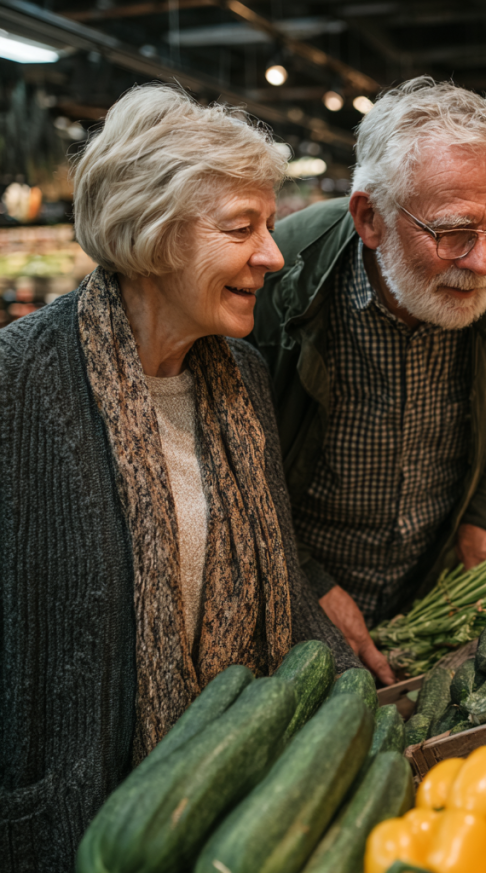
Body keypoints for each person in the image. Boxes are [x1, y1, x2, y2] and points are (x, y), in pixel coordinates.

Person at [0, 84, 357, 873]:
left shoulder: (242, 377)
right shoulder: (19, 383)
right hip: (71, 829)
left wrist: (350, 683)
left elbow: (276, 575)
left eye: (269, 225)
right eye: (241, 227)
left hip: (226, 814)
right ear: (154, 234)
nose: (272, 254)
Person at [254, 77, 486, 684]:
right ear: (370, 217)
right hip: (296, 584)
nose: (482, 262)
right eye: (452, 232)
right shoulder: (277, 275)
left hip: (434, 585)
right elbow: (225, 458)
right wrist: (302, 579)